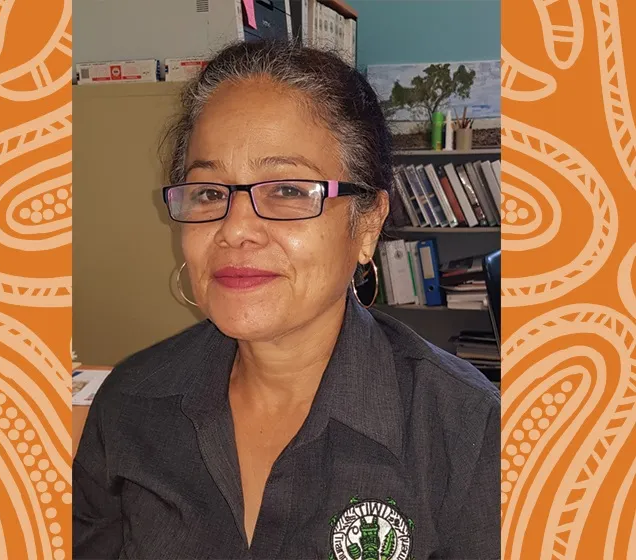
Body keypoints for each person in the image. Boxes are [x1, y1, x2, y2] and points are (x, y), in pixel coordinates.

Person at [73, 39, 500, 560]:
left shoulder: (467, 430)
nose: (235, 230)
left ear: (366, 223)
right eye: (209, 192)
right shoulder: (130, 404)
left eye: (289, 190)